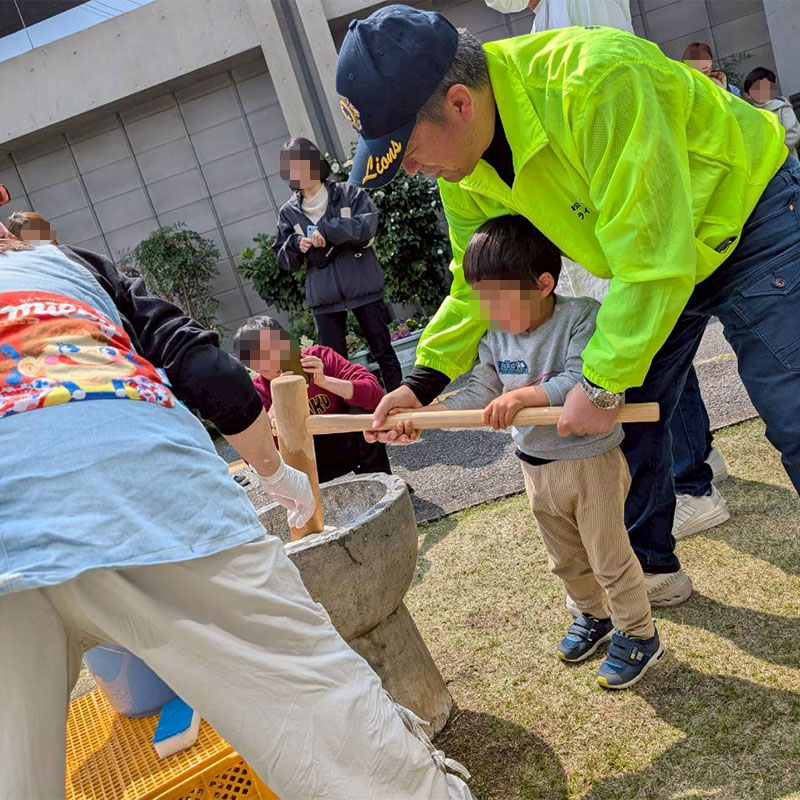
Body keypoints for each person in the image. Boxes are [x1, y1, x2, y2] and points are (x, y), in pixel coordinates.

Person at [335, 6, 797, 610]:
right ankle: (651, 568)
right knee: (629, 420)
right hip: (654, 261)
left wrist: (599, 384)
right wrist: (422, 383)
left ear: (459, 103)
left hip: (752, 218)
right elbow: (473, 284)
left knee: (792, 409)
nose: (414, 170)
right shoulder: (463, 171)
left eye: (408, 150)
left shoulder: (595, 82)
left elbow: (653, 257)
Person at [0, 231, 474, 798]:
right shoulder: (62, 265)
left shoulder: (320, 361)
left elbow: (363, 391)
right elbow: (209, 373)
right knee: (325, 723)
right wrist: (275, 473)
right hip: (151, 498)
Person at [484, 0, 730, 545]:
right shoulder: (536, 29)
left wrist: (595, 388)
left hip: (664, 224)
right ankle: (690, 474)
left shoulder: (585, 30)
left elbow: (648, 238)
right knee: (649, 362)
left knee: (644, 359)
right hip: (623, 238)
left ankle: (693, 481)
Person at [397, 216, 663, 688]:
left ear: (543, 284)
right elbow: (480, 390)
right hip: (535, 467)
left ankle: (640, 633)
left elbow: (583, 378)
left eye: (500, 300)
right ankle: (595, 615)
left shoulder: (580, 316)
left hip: (590, 463)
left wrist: (522, 396)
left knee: (608, 557)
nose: (491, 313)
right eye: (482, 301)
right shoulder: (495, 335)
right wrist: (426, 415)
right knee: (565, 559)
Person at [274, 137, 403, 392]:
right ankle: (352, 411)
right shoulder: (288, 212)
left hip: (363, 287)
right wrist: (295, 244)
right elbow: (283, 259)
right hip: (324, 298)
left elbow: (367, 226)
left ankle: (399, 402)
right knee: (333, 363)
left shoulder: (348, 193)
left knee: (382, 350)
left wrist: (328, 229)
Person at [234, 315, 391, 483]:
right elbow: (254, 456)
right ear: (252, 366)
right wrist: (278, 404)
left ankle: (382, 481)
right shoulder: (256, 392)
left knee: (361, 410)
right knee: (270, 447)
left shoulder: (319, 357)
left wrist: (325, 381)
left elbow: (375, 394)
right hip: (301, 461)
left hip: (344, 440)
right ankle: (308, 497)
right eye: (262, 358)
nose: (274, 360)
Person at [745, 67, 800, 159]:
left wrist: (773, 153)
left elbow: (793, 134)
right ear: (748, 94)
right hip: (764, 164)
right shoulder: (749, 114)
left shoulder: (782, 108)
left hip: (787, 161)